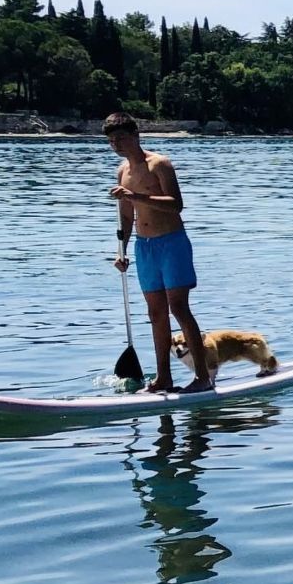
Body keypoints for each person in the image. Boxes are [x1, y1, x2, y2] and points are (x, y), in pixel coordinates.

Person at [104, 111, 213, 393]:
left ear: (136, 136)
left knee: (178, 307)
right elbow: (126, 218)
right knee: (155, 313)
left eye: (122, 138)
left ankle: (202, 378)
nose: (117, 145)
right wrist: (121, 251)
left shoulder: (159, 164)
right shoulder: (122, 172)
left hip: (172, 242)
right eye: (112, 141)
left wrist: (135, 196)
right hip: (145, 247)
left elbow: (176, 204)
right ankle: (163, 378)